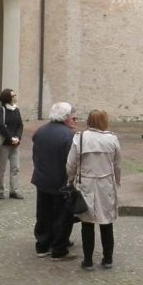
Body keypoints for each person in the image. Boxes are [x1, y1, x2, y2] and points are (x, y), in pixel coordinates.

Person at [67, 109, 123, 270]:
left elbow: (71, 164)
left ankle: (88, 261)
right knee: (106, 221)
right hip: (106, 183)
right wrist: (117, 181)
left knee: (87, 222)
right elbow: (117, 164)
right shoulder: (111, 139)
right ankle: (108, 259)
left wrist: (70, 180)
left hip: (86, 183)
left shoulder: (80, 138)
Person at [31, 102, 78, 260]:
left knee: (44, 214)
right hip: (60, 182)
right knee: (62, 216)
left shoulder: (41, 131)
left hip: (42, 179)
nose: (75, 119)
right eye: (73, 116)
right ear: (66, 118)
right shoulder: (69, 136)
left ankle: (42, 245)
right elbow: (71, 163)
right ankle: (59, 249)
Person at [0, 88, 25, 200]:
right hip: (4, 144)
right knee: (2, 168)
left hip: (15, 144)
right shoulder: (1, 110)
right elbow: (0, 125)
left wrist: (17, 137)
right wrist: (10, 137)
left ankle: (14, 191)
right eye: (13, 95)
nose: (15, 96)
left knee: (15, 168)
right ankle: (0, 191)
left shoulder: (16, 109)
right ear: (8, 98)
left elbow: (20, 125)